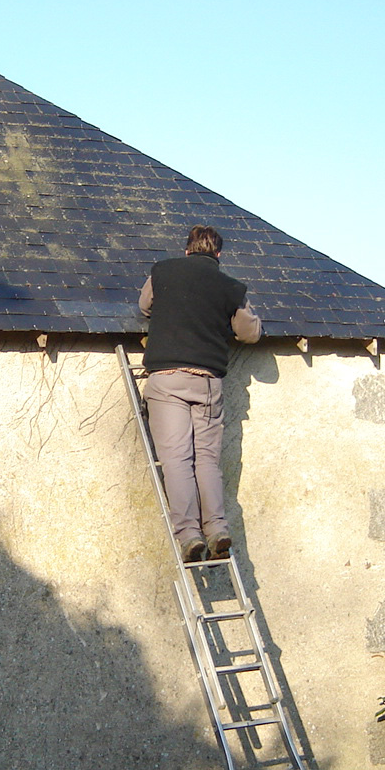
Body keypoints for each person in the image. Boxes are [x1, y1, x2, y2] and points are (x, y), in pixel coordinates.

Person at [138, 225, 262, 562]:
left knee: (177, 460)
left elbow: (145, 305)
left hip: (167, 379)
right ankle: (218, 528)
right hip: (207, 382)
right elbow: (249, 333)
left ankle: (190, 535)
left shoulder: (163, 271)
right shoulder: (230, 287)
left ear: (188, 249)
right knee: (206, 460)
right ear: (218, 255)